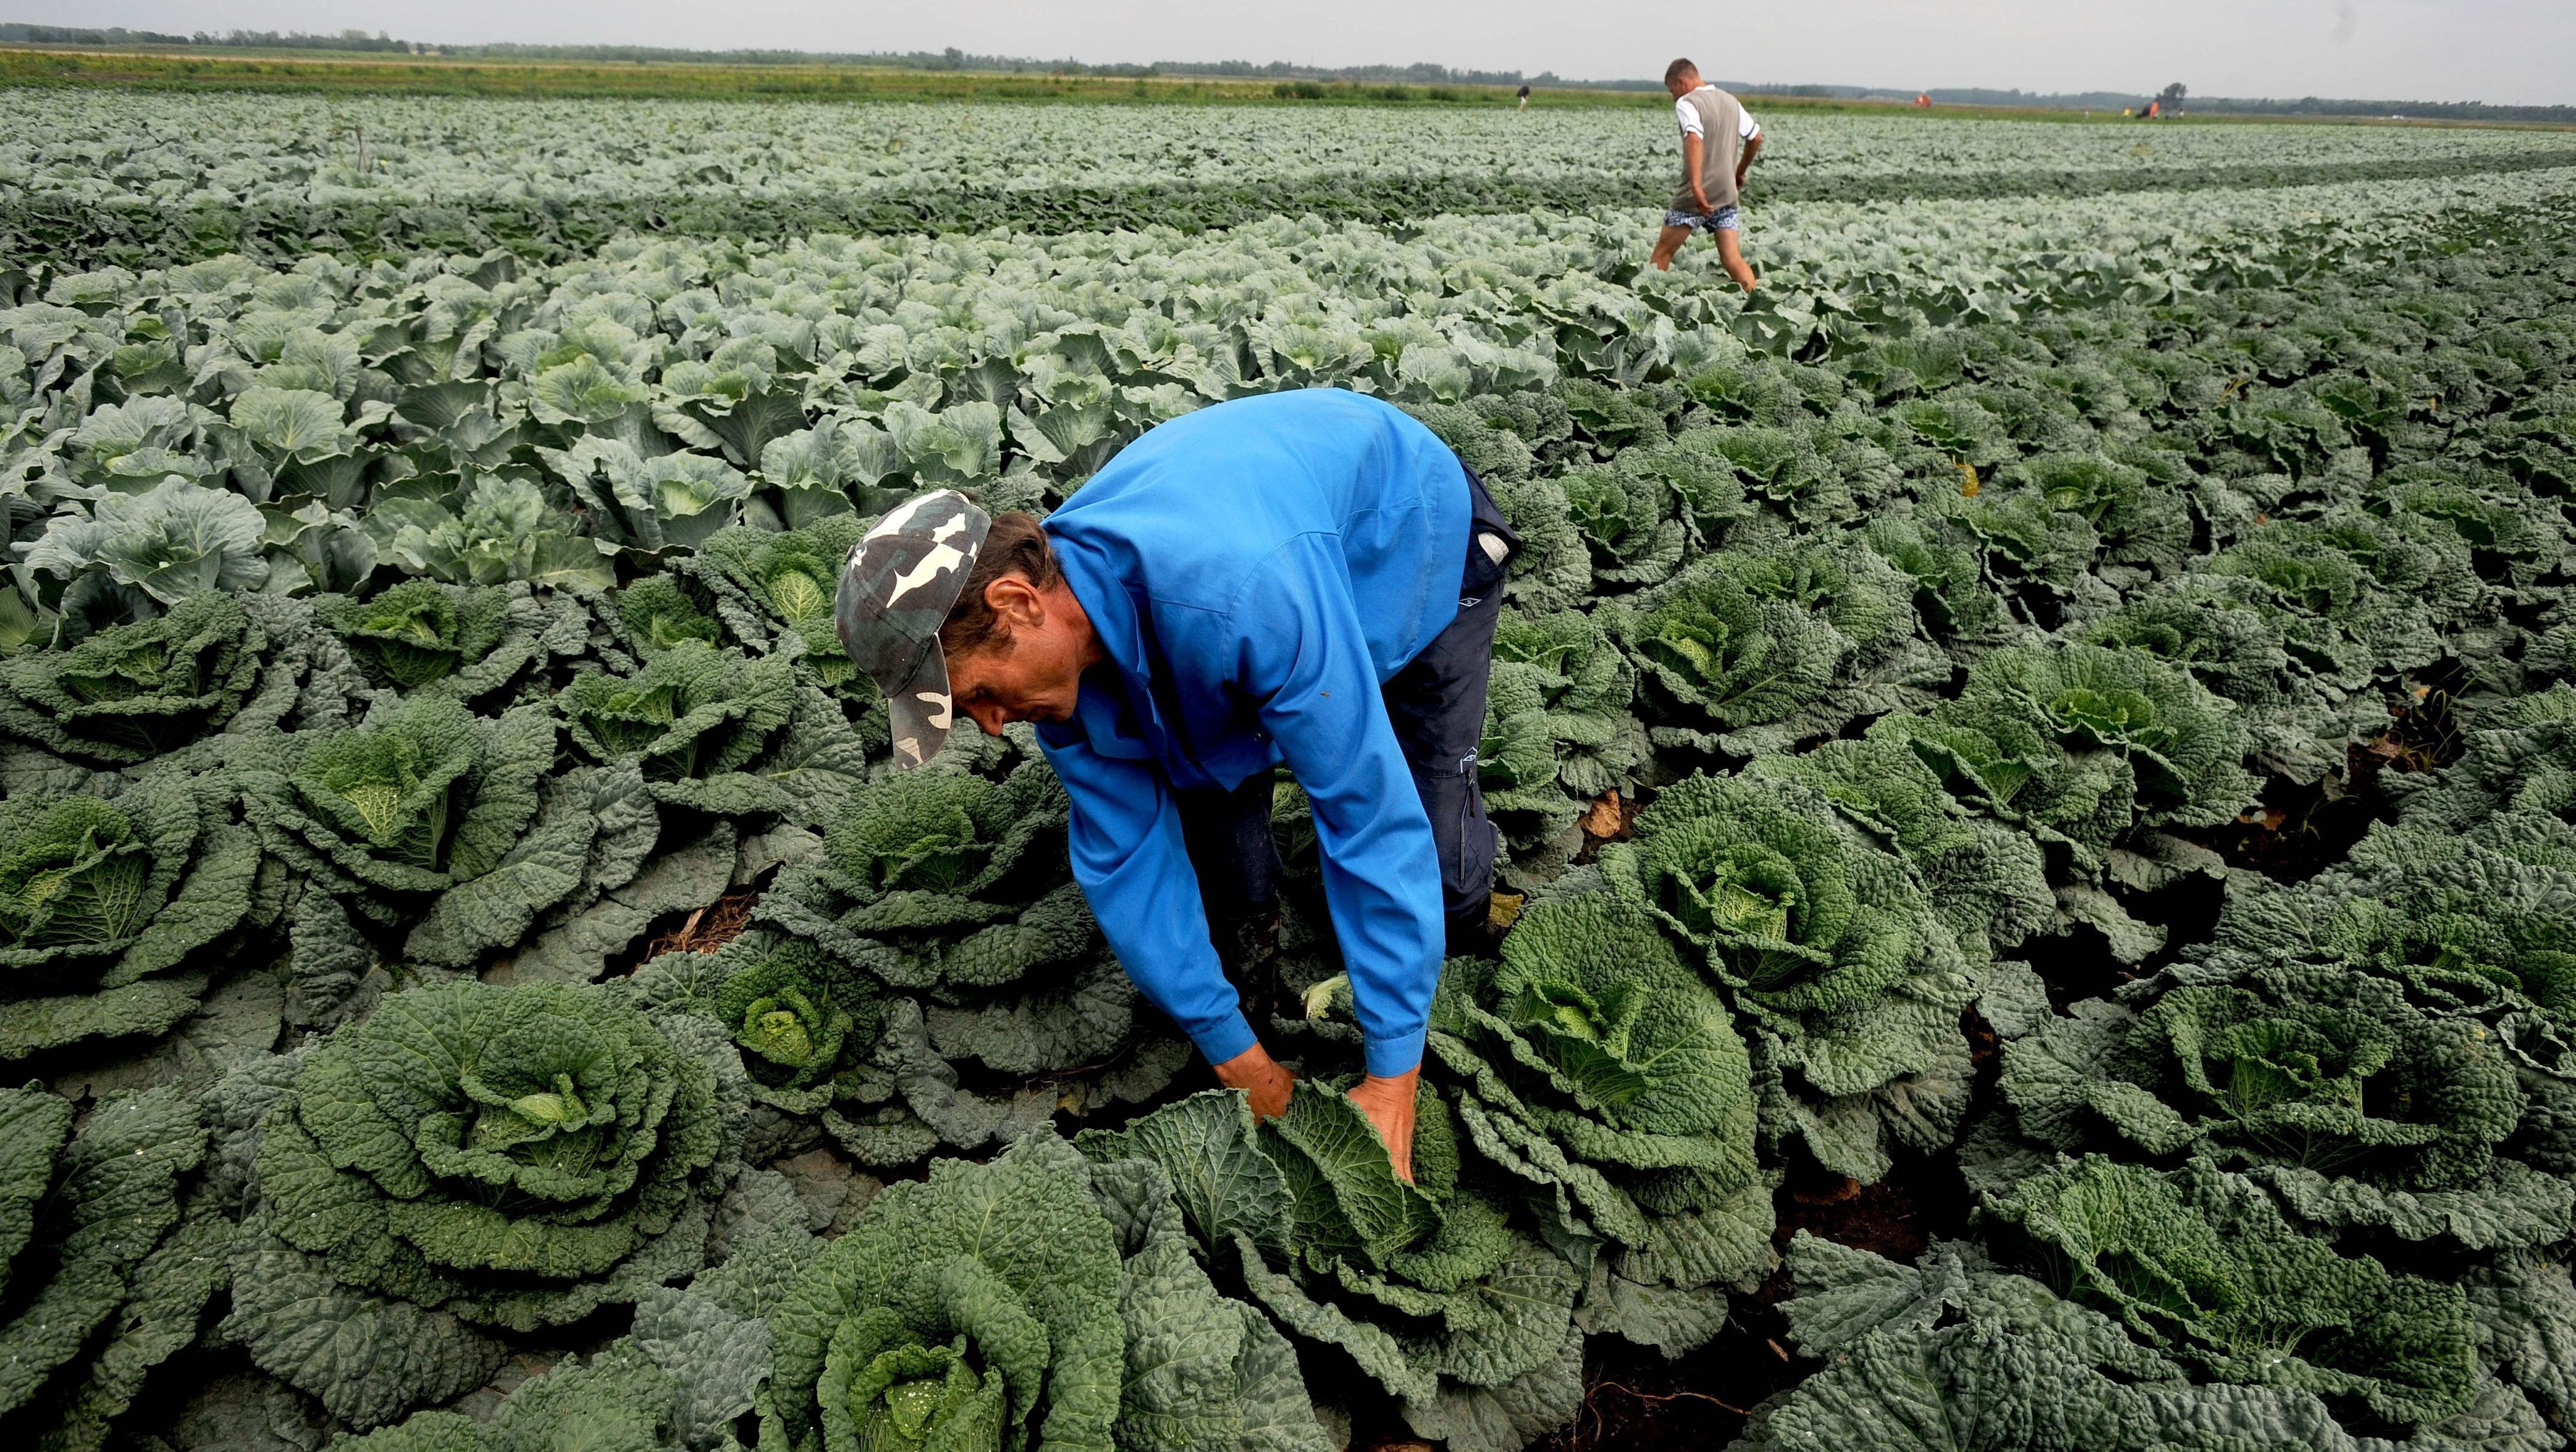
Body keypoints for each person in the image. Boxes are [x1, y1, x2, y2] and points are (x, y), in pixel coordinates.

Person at [832, 389, 1518, 1184]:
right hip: (1267, 551)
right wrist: (1246, 1067)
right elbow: (1127, 859)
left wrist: (1390, 1080)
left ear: (1017, 603)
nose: (989, 724)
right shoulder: (1060, 662)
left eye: (978, 691)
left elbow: (1365, 811)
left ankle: (1449, 974)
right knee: (1222, 851)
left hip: (1407, 530)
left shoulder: (1241, 592)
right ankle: (1262, 997)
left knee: (1426, 822)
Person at [1650, 57, 1762, 290]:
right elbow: (1755, 137)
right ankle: (1756, 302)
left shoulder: (1687, 103)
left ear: (1681, 82)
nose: (1674, 97)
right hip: (1727, 192)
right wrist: (1739, 173)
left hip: (1695, 195)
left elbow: (1694, 138)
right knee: (1732, 259)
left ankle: (1644, 299)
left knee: (1664, 252)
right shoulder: (1730, 101)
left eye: (1673, 91)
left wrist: (1697, 187)